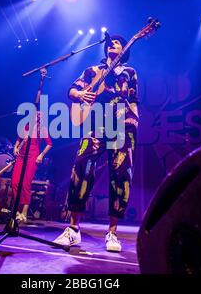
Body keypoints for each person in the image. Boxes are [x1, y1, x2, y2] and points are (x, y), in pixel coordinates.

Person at [53, 35, 139, 252]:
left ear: (124, 49)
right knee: (82, 167)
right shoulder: (93, 70)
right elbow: (72, 90)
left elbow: (135, 100)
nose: (112, 44)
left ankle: (112, 233)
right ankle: (73, 230)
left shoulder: (130, 72)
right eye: (111, 42)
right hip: (96, 123)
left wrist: (135, 122)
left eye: (118, 42)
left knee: (120, 174)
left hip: (122, 125)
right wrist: (80, 94)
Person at [11, 112, 52, 223]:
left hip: (32, 156)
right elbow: (19, 139)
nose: (38, 116)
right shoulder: (25, 126)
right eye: (36, 115)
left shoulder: (42, 129)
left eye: (40, 115)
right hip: (21, 156)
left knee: (25, 184)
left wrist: (41, 155)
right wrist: (15, 147)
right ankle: (17, 210)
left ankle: (23, 212)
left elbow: (49, 143)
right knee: (14, 183)